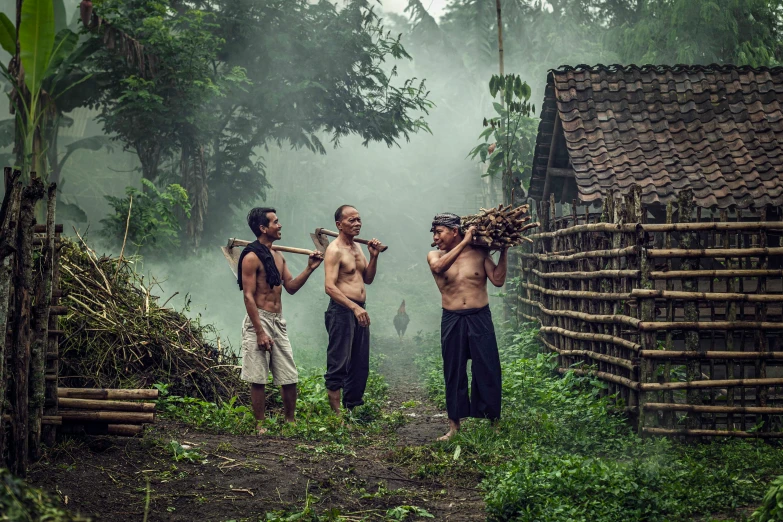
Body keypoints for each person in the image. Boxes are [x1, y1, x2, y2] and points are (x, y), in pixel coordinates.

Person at [238, 207, 323, 434]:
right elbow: (247, 296)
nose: (280, 225)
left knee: (289, 375)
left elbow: (291, 287)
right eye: (275, 222)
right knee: (258, 376)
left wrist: (310, 268)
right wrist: (259, 331)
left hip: (278, 321)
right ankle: (260, 424)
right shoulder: (251, 257)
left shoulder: (278, 255)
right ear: (263, 228)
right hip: (259, 319)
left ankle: (290, 422)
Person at [426, 212, 507, 441]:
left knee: (488, 368)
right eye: (434, 232)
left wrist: (504, 251)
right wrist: (465, 240)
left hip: (480, 316)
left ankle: (493, 424)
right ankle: (454, 427)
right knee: (454, 370)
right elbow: (440, 267)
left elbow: (498, 280)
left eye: (439, 231)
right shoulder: (434, 255)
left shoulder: (480, 253)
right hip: (452, 318)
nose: (435, 237)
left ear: (454, 231)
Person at [323, 205, 384, 414]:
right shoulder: (334, 250)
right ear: (339, 225)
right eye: (351, 220)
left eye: (358, 220)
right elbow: (329, 287)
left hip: (359, 309)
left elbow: (367, 278)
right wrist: (353, 307)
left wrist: (374, 256)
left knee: (359, 362)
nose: (357, 224)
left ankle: (352, 408)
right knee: (339, 361)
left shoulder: (358, 247)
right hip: (342, 310)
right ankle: (336, 414)